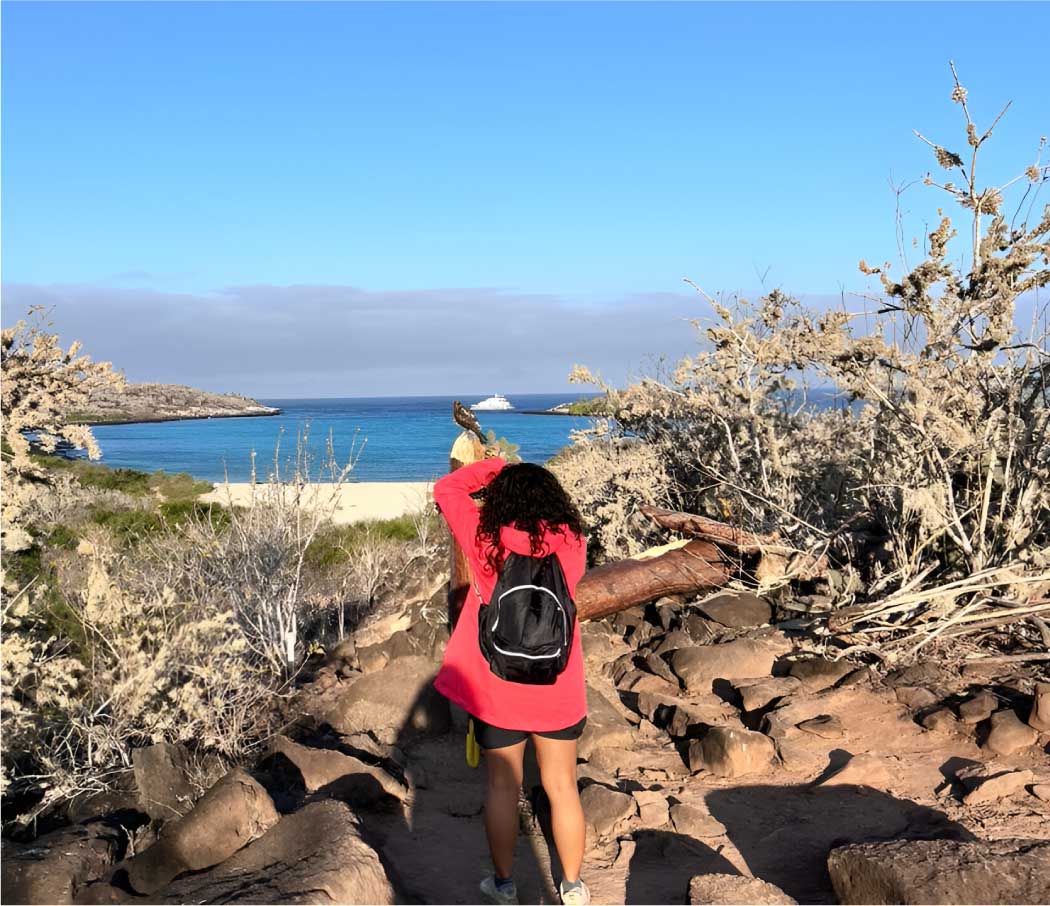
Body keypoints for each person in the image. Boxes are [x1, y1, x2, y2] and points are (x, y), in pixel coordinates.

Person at [432, 447, 591, 906]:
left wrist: (495, 468)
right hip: (558, 687)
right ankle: (573, 887)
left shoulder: (485, 538)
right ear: (553, 501)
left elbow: (447, 489)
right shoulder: (573, 539)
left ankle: (503, 886)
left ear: (502, 500)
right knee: (562, 787)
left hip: (497, 688)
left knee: (503, 787)